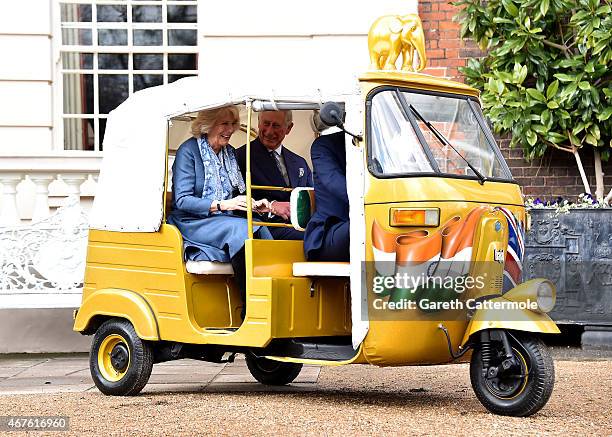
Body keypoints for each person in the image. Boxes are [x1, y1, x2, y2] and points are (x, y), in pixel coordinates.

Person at [167, 106, 272, 318]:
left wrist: (253, 205)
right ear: (207, 125)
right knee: (242, 230)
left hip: (224, 219)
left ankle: (265, 304)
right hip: (193, 220)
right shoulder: (189, 151)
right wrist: (224, 205)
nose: (231, 129)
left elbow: (236, 195)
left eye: (232, 124)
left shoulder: (229, 152)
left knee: (261, 230)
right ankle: (249, 310)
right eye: (224, 124)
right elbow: (182, 200)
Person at [235, 110, 313, 240]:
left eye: (276, 126)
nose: (269, 131)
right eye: (266, 124)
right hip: (264, 230)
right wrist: (271, 206)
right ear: (258, 123)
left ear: (289, 128)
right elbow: (235, 204)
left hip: (301, 227)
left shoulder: (300, 162)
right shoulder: (242, 157)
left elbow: (312, 198)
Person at [303, 127, 350, 262]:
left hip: (366, 220)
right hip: (329, 232)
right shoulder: (324, 145)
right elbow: (336, 184)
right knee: (371, 225)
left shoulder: (383, 147)